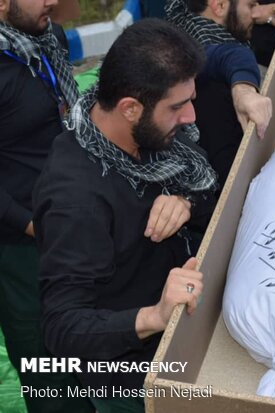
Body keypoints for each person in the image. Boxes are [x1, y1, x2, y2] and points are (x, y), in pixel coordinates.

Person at [33, 19, 216, 413]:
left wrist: (186, 200)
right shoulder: (76, 200)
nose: (191, 118)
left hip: (190, 337)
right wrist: (154, 316)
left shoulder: (152, 136)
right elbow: (62, 327)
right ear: (130, 108)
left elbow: (209, 185)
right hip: (135, 381)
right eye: (177, 106)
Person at [0, 0, 93, 411]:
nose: (53, 2)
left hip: (76, 219)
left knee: (90, 337)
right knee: (46, 362)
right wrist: (31, 225)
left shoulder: (47, 37)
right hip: (23, 245)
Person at [167, 0, 272, 189]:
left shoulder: (182, 19)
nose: (257, 14)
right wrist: (244, 91)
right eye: (250, 5)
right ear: (220, 6)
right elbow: (226, 55)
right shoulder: (214, 88)